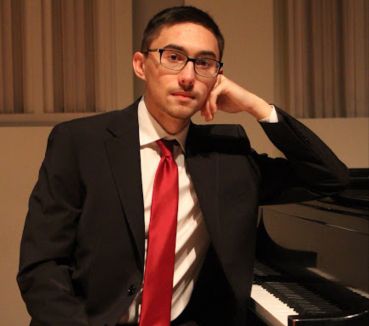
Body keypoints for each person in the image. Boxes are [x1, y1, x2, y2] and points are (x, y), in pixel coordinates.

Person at [17, 5, 349, 326]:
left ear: (218, 76)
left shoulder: (228, 156)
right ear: (141, 64)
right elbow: (43, 266)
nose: (188, 77)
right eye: (174, 57)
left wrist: (257, 106)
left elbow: (330, 177)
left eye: (204, 63)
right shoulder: (80, 142)